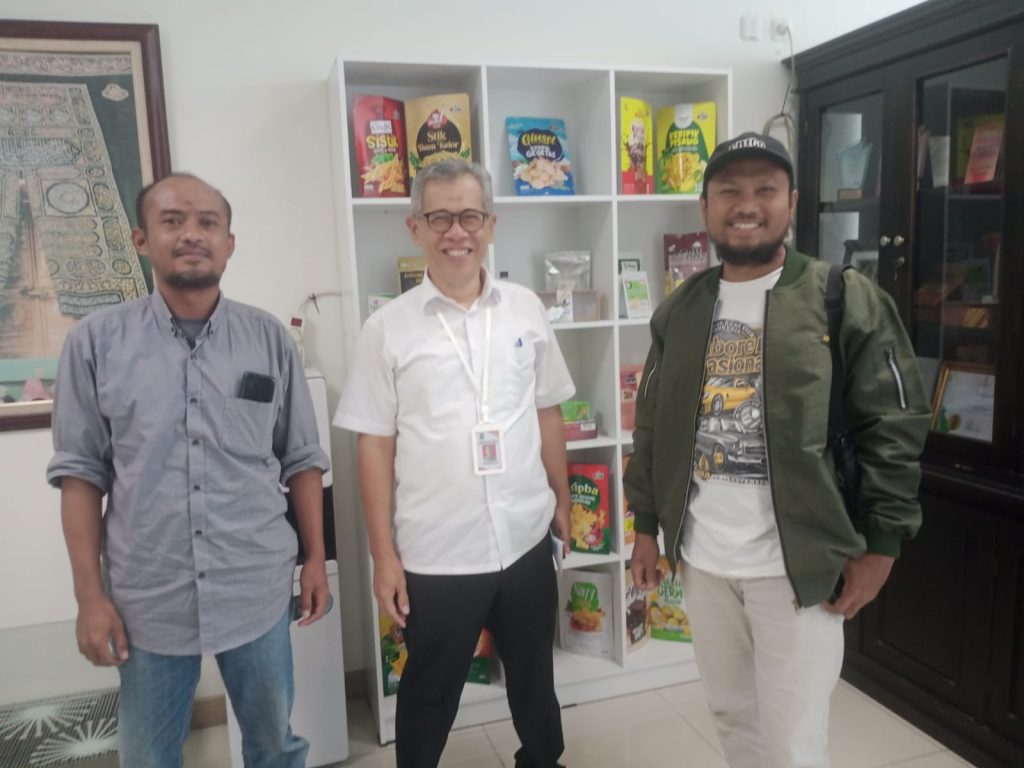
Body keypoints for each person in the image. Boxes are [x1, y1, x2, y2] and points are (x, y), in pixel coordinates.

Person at [625, 132, 931, 768]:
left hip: (799, 567)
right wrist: (647, 526)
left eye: (765, 189)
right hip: (704, 562)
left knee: (794, 741)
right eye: (729, 191)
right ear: (705, 206)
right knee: (733, 719)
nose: (747, 205)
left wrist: (882, 545)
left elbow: (894, 426)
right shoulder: (681, 310)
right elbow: (652, 424)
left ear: (791, 202)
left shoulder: (841, 296)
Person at [46, 173, 331, 768]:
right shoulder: (95, 344)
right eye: (172, 221)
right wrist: (89, 596)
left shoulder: (269, 339)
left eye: (208, 222)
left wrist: (314, 559)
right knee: (149, 756)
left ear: (230, 242)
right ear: (141, 239)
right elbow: (80, 477)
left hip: (254, 584)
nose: (192, 234)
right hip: (148, 597)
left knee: (275, 745)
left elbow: (302, 459)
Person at [334, 159, 573, 768]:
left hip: (524, 537)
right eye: (439, 217)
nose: (456, 231)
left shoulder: (526, 309)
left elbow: (547, 410)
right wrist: (383, 557)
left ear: (490, 223)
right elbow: (373, 445)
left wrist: (563, 500)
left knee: (535, 681)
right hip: (437, 554)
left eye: (469, 215)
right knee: (428, 694)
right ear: (415, 227)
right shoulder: (386, 330)